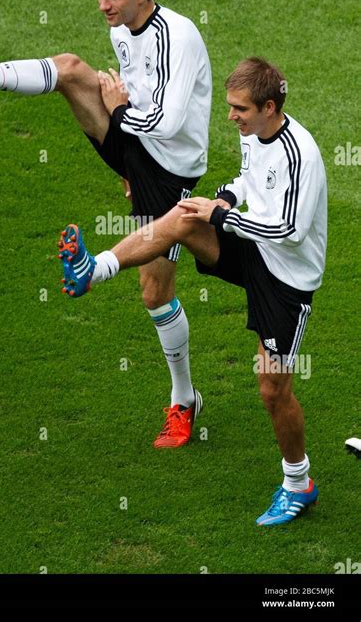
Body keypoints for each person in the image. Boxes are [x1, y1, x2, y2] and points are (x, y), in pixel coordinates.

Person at [0, 0, 212, 449]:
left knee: (155, 293)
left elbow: (167, 122)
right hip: (136, 147)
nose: (103, 6)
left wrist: (120, 109)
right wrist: (123, 127)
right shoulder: (120, 30)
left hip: (171, 173)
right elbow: (134, 99)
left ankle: (184, 399)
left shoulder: (180, 37)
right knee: (70, 69)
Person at [58, 57, 327, 526]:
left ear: (269, 107)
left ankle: (298, 483)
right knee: (183, 215)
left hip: (286, 280)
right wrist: (224, 197)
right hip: (254, 248)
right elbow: (248, 180)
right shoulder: (256, 133)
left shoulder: (300, 154)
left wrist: (222, 217)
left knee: (272, 389)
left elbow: (291, 230)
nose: (231, 117)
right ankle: (93, 268)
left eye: (239, 109)